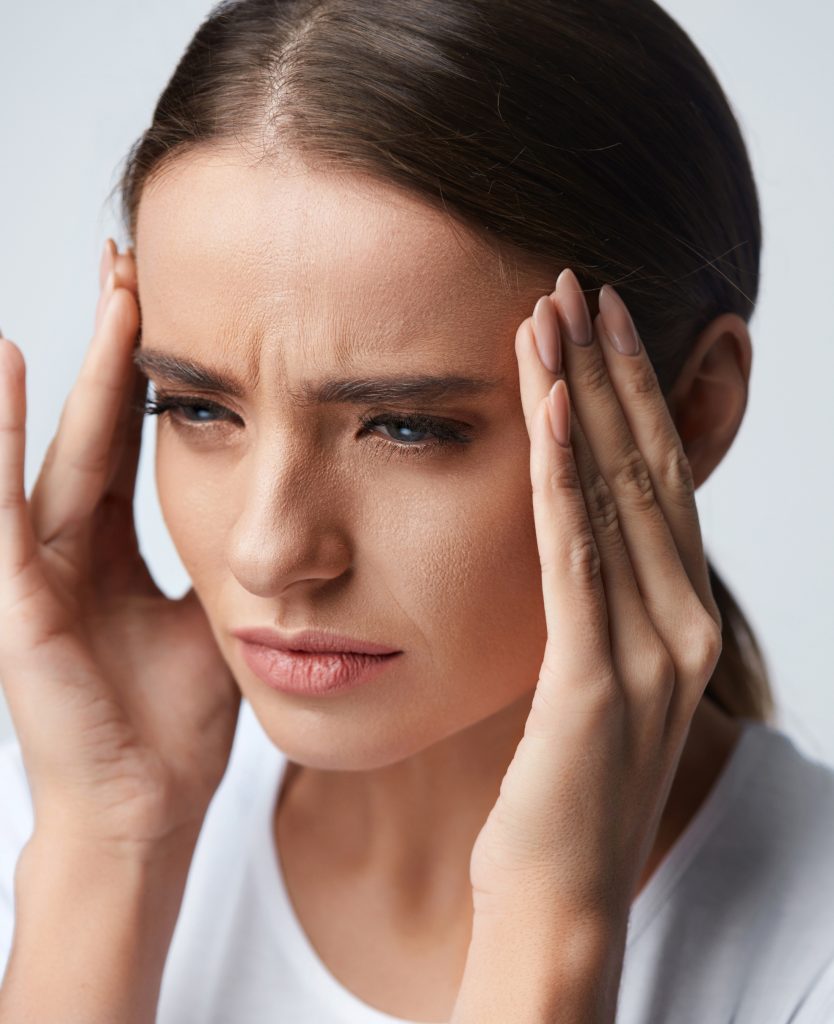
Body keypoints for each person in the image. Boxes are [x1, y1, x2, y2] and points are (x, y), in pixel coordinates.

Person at [1, 0, 833, 1021]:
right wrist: (110, 844)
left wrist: (547, 930)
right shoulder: (50, 823)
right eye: (198, 406)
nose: (268, 551)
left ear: (693, 408)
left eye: (406, 427)